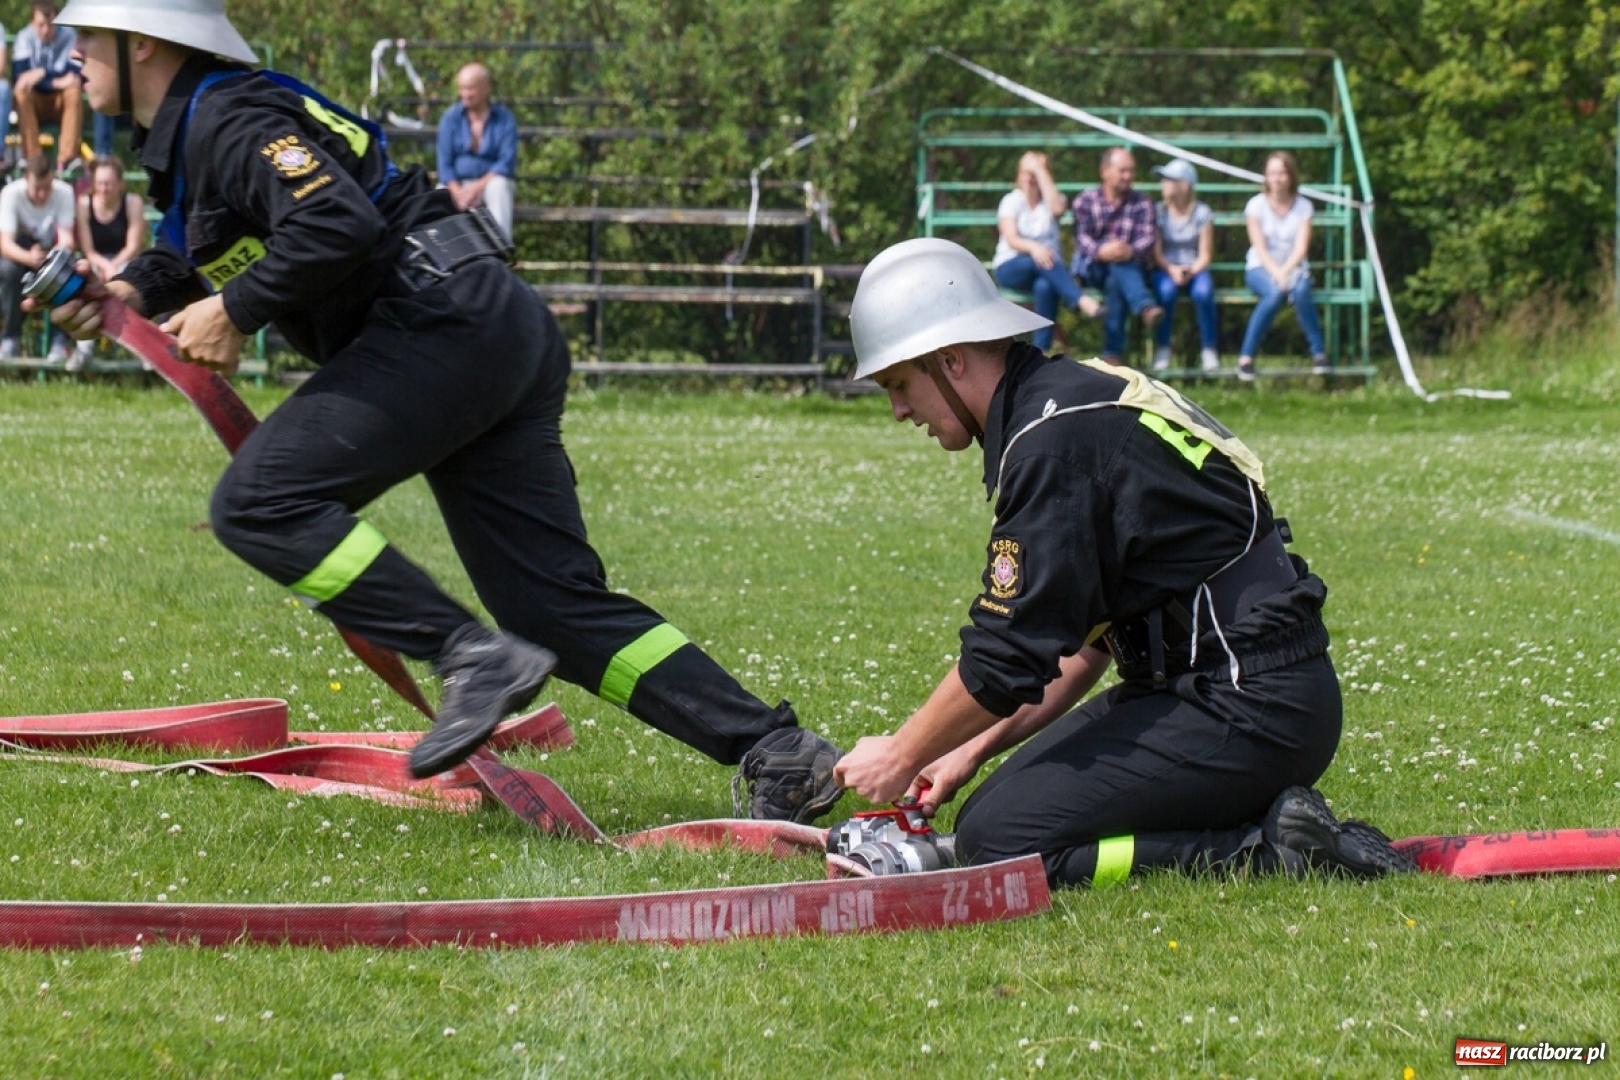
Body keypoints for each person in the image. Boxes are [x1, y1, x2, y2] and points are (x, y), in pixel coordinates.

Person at [44, 0, 843, 822]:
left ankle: (469, 657)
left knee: (260, 503)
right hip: (486, 325)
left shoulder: (228, 118)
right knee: (550, 610)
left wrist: (235, 309)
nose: (70, 59)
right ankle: (776, 749)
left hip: (442, 324)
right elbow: (200, 243)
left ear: (140, 40)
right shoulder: (201, 130)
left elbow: (333, 221)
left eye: (82, 37)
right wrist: (128, 291)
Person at [832, 236, 1413, 888]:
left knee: (999, 843)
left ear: (950, 361)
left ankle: (1266, 850)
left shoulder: (1051, 443)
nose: (899, 410)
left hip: (1250, 704)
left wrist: (902, 751)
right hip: (1229, 687)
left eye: (899, 384)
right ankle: (1264, 821)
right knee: (989, 822)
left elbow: (1007, 654)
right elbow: (1082, 645)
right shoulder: (1067, 402)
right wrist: (967, 749)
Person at [991, 150, 1101, 352]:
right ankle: (1079, 299)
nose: (1029, 178)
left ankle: (1040, 351)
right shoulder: (1011, 200)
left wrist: (1040, 170)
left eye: (1035, 173)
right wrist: (1034, 248)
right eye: (1026, 172)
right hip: (1011, 267)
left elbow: (1059, 210)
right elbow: (1011, 238)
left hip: (1047, 270)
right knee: (1040, 259)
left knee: (1044, 286)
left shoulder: (1053, 200)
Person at [1237, 150, 1326, 381]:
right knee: (1274, 294)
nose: (1277, 178)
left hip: (1294, 268)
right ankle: (1246, 358)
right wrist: (1277, 274)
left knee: (1304, 291)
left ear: (1291, 176)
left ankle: (1319, 354)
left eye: (1282, 173)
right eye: (1272, 173)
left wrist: (1285, 272)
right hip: (1260, 268)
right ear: (1266, 176)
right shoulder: (1255, 206)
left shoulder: (1304, 207)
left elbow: (1301, 247)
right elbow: (1259, 247)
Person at [1069, 147, 1162, 367]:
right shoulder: (1085, 200)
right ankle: (1145, 307)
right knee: (1117, 270)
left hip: (1128, 267)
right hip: (1093, 267)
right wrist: (1101, 251)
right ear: (1104, 171)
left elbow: (1148, 238)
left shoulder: (1143, 202)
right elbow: (1081, 237)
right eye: (1122, 171)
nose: (1128, 176)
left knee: (1115, 280)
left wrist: (1129, 251)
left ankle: (1113, 357)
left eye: (1131, 171)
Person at [68, 154, 145, 369]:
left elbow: (133, 247)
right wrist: (104, 266)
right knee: (84, 279)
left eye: (109, 184)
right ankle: (84, 350)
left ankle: (141, 350)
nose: (104, 188)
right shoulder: (84, 204)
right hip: (96, 260)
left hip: (124, 260)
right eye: (100, 183)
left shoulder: (133, 203)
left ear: (120, 184)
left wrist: (114, 267)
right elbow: (88, 249)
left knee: (131, 280)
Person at [0, 152, 75, 359]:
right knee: (8, 270)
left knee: (68, 271)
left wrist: (51, 260)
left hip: (52, 253)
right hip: (20, 254)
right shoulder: (10, 193)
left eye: (47, 188)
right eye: (37, 189)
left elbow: (67, 240)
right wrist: (28, 258)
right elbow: (5, 244)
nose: (43, 194)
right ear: (26, 180)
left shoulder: (64, 192)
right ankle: (10, 339)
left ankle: (60, 343)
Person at [1149, 159, 1219, 373]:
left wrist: (1190, 272)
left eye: (1169, 180)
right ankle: (1162, 349)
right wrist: (1172, 269)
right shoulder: (1158, 212)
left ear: (1185, 185)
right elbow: (1157, 253)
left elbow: (1205, 254)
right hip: (1166, 268)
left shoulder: (1202, 213)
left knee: (1203, 293)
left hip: (1195, 268)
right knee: (1166, 293)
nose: (1163, 184)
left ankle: (1209, 350)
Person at [436, 62, 516, 242]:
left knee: (500, 187)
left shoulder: (505, 119)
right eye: (462, 88)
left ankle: (502, 251)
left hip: (489, 184)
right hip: (457, 185)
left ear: (486, 88)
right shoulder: (449, 119)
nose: (465, 94)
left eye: (471, 88)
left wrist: (476, 188)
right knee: (439, 193)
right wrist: (458, 192)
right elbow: (444, 165)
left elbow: (506, 162)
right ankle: (443, 259)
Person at [13, 1, 85, 174]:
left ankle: (66, 161)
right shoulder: (24, 37)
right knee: (21, 92)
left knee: (73, 91)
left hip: (60, 104)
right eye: (40, 25)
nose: (46, 30)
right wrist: (56, 80)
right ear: (31, 23)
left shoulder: (69, 36)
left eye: (51, 25)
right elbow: (21, 78)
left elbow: (75, 77)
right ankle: (33, 159)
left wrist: (41, 73)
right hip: (34, 105)